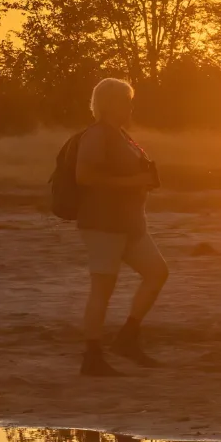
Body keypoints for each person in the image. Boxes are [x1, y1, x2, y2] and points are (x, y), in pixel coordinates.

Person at [74, 77, 169, 376]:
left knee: (157, 272)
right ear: (110, 103)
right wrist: (133, 182)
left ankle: (127, 337)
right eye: (126, 100)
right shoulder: (97, 134)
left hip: (128, 224)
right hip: (103, 223)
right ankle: (92, 355)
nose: (130, 106)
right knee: (103, 287)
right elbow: (84, 177)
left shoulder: (120, 135)